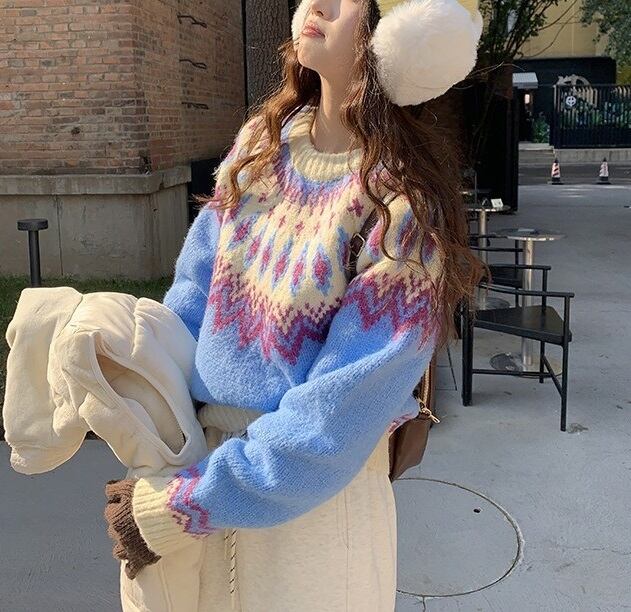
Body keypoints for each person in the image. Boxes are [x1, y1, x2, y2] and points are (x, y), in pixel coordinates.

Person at [104, 0, 485, 610]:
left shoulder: (404, 207)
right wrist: (141, 398)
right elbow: (192, 302)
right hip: (202, 470)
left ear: (400, 34)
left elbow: (338, 415)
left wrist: (183, 506)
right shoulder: (262, 145)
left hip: (310, 515)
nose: (319, 4)